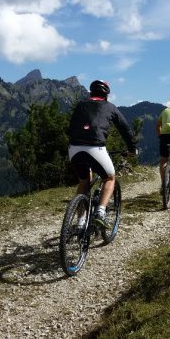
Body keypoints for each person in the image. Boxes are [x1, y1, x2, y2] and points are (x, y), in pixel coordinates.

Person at [68, 79, 137, 229]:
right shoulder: (110, 107)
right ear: (106, 95)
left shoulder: (80, 105)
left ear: (91, 92)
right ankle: (100, 211)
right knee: (110, 177)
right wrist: (132, 148)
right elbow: (125, 129)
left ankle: (81, 222)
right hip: (96, 148)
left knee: (84, 182)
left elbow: (71, 125)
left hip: (74, 148)